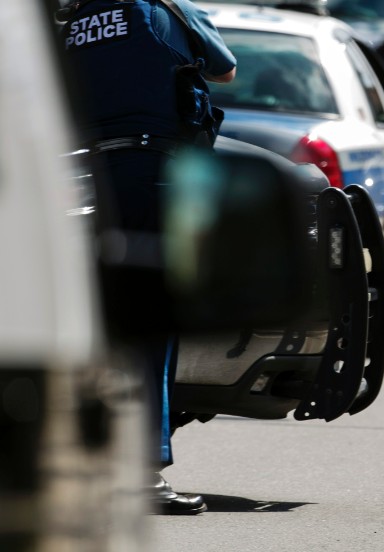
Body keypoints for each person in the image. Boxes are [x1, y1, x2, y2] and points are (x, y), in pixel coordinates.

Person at [58, 0, 237, 515]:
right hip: (157, 171)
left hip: (91, 176)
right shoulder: (169, 10)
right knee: (151, 320)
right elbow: (225, 70)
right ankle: (141, 476)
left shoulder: (74, 25)